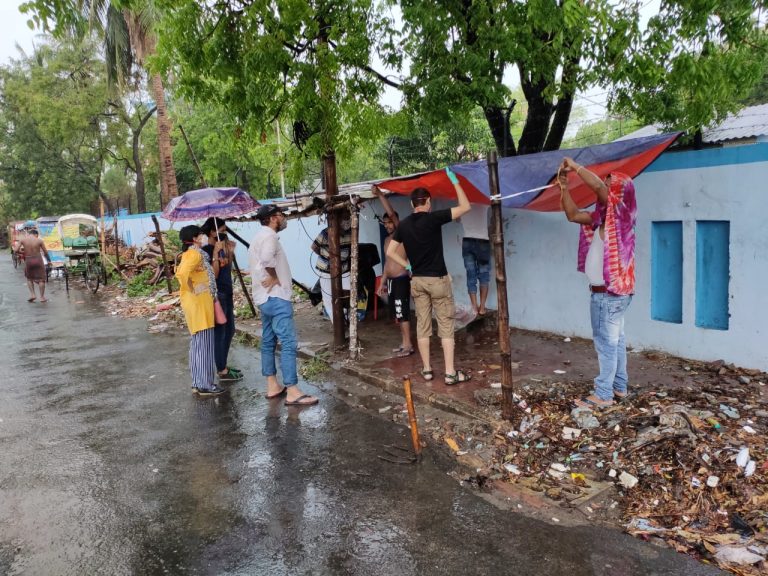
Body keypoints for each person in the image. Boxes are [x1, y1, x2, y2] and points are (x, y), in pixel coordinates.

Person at [558, 157, 637, 409]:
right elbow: (572, 215)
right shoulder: (602, 220)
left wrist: (574, 166)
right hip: (610, 295)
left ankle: (603, 395)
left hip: (608, 295)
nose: (605, 187)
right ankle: (619, 388)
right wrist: (563, 188)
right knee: (616, 341)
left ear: (619, 194)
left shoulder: (622, 216)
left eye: (610, 185)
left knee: (607, 345)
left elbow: (600, 191)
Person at [386, 167, 472, 385]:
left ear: (412, 204)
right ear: (428, 202)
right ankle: (450, 373)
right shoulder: (435, 218)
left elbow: (390, 252)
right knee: (445, 326)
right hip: (438, 281)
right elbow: (465, 206)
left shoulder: (404, 225)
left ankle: (426, 370)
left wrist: (408, 265)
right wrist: (455, 182)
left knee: (422, 325)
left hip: (418, 281)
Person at [248, 204, 318, 406]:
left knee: (268, 341)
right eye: (281, 215)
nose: (284, 218)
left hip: (263, 298)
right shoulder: (269, 237)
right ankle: (293, 390)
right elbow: (267, 259)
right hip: (277, 298)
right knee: (288, 342)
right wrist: (274, 277)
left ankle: (272, 385)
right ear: (272, 218)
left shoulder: (258, 237)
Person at [175, 225, 227, 397]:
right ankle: (206, 384)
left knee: (198, 345)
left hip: (196, 304)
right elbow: (182, 274)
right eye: (202, 235)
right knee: (204, 346)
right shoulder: (195, 254)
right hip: (199, 305)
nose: (204, 237)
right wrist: (192, 288)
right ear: (195, 238)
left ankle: (198, 382)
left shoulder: (192, 254)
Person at [372, 185, 414, 357]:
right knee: (398, 313)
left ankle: (408, 345)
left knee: (403, 313)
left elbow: (390, 213)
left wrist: (380, 194)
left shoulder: (402, 233)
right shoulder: (387, 240)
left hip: (402, 279)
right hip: (391, 281)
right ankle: (404, 343)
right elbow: (387, 264)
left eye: (391, 221)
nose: (388, 224)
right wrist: (382, 283)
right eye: (386, 222)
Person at [201, 217, 242, 383]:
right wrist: (216, 254)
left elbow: (226, 268)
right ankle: (221, 370)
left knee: (230, 330)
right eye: (221, 230)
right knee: (221, 332)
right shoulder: (206, 250)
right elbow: (214, 275)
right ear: (212, 232)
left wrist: (230, 253)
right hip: (218, 295)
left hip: (228, 292)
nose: (224, 233)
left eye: (225, 230)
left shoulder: (222, 247)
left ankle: (222, 364)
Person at [310, 218, 352, 323]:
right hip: (326, 270)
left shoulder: (351, 232)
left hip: (344, 269)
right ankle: (337, 322)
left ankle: (345, 319)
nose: (347, 220)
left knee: (348, 295)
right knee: (328, 298)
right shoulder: (325, 233)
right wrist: (325, 256)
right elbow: (314, 247)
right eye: (344, 217)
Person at [460, 204, 491, 316]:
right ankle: (482, 307)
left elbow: (457, 218)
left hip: (467, 240)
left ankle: (474, 308)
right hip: (483, 241)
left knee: (470, 274)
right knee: (484, 275)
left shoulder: (462, 202)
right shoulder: (482, 200)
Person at [19, 229, 50, 302]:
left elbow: (16, 250)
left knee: (29, 278)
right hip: (38, 260)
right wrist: (49, 261)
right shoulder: (39, 240)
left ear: (29, 234)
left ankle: (33, 295)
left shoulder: (23, 240)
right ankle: (42, 297)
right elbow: (45, 252)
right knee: (41, 279)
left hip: (28, 260)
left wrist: (24, 252)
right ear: (36, 234)